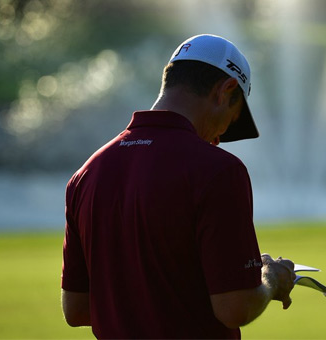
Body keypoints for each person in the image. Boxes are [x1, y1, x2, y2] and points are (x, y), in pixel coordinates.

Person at [61, 34, 296, 339]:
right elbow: (235, 307)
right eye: (230, 120)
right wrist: (271, 278)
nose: (218, 138)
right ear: (225, 90)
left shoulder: (87, 173)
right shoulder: (220, 170)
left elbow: (76, 309)